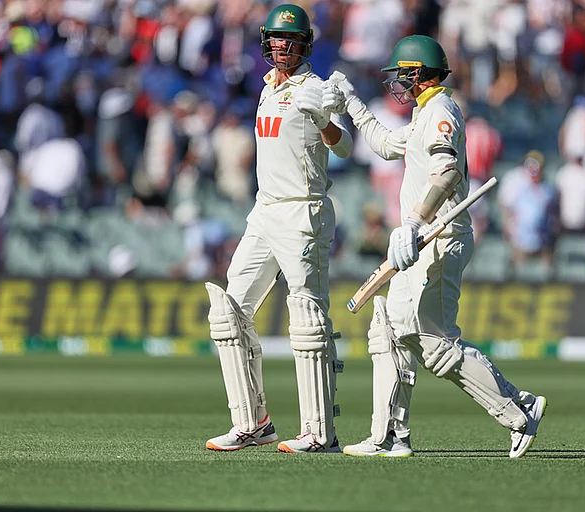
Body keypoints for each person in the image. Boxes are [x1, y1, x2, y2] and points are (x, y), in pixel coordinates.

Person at [323, 35, 547, 458]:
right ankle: (390, 434)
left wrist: (413, 222)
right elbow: (388, 145)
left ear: (418, 75)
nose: (395, 85)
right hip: (422, 238)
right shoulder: (426, 112)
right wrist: (351, 103)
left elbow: (446, 175)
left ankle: (520, 409)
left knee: (434, 343)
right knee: (388, 327)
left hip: (440, 238)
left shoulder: (442, 112)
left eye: (400, 76)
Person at [203, 4, 353, 454]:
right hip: (264, 212)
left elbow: (344, 145)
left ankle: (319, 432)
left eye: (289, 40)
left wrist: (325, 120)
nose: (280, 45)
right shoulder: (266, 89)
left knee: (307, 321)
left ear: (304, 45)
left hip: (302, 213)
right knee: (229, 312)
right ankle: (253, 423)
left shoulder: (316, 88)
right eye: (274, 38)